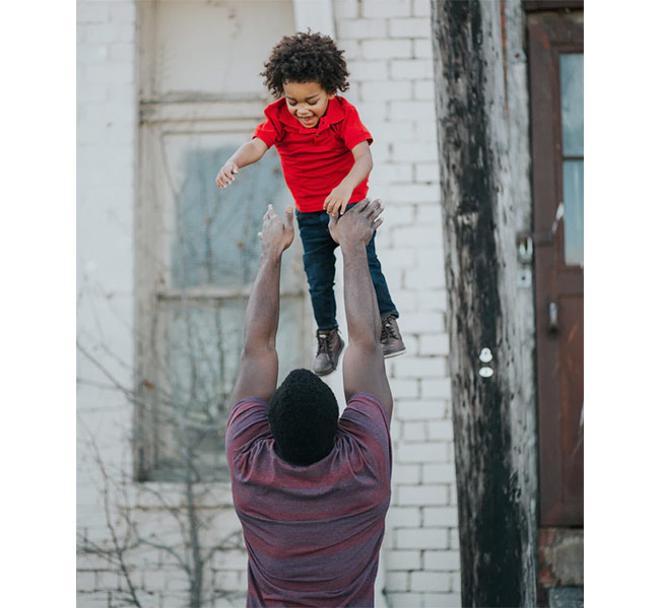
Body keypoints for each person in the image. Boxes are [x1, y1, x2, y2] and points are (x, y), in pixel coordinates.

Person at [226, 200, 394, 607]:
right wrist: (353, 249)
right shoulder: (363, 467)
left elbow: (257, 349)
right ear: (340, 428)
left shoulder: (251, 467)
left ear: (269, 433)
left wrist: (271, 253)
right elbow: (367, 346)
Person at [215, 31, 405, 375]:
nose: (301, 109)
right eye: (293, 101)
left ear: (330, 90)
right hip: (310, 213)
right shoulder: (279, 118)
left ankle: (387, 322)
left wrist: (346, 187)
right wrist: (234, 161)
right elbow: (257, 145)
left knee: (366, 265)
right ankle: (328, 336)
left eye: (311, 101)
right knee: (318, 278)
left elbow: (364, 159)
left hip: (349, 207)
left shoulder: (345, 116)